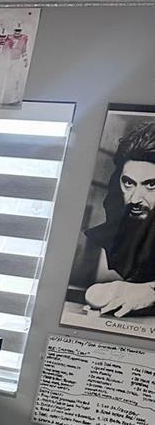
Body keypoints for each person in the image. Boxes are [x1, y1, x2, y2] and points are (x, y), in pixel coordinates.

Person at [83, 121, 155, 318]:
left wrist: (151, 293)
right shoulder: (130, 227)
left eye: (151, 185)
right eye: (129, 183)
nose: (135, 199)